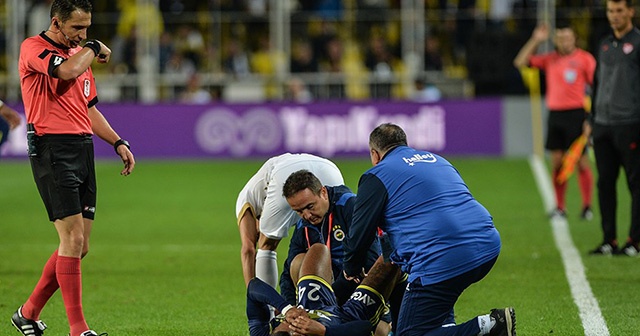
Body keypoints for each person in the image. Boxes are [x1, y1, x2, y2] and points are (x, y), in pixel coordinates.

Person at [12, 1, 135, 336]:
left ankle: (27, 313)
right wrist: (93, 48)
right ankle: (78, 330)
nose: (83, 35)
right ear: (56, 22)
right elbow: (64, 72)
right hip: (52, 148)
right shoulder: (34, 48)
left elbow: (89, 108)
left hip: (83, 148)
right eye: (77, 28)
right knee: (72, 237)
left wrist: (117, 141)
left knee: (80, 247)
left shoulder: (82, 57)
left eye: (88, 29)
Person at [343, 123, 516, 336]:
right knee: (439, 309)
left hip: (442, 255)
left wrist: (351, 267)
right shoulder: (438, 160)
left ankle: (490, 326)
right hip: (487, 243)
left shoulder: (376, 175)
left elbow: (360, 231)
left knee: (408, 333)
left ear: (374, 154)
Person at [279, 170, 400, 336]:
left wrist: (334, 302)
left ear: (323, 192)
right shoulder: (303, 226)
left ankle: (387, 321)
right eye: (299, 211)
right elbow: (287, 273)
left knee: (377, 331)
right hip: (324, 298)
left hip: (358, 287)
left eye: (310, 207)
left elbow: (370, 260)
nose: (306, 215)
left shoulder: (350, 207)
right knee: (298, 262)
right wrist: (290, 310)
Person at [513, 22, 596, 220]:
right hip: (556, 115)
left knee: (581, 162)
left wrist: (591, 117)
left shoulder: (585, 59)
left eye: (567, 37)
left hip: (577, 114)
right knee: (557, 163)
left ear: (575, 38)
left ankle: (587, 207)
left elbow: (598, 86)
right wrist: (536, 40)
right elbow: (520, 62)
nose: (563, 41)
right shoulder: (550, 60)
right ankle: (560, 207)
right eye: (559, 38)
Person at [236, 153, 344, 288]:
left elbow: (248, 249)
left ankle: (267, 307)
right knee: (332, 235)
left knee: (267, 246)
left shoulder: (244, 201)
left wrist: (251, 292)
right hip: (329, 169)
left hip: (285, 175)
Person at [246, 243, 401, 336]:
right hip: (348, 318)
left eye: (288, 327)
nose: (293, 326)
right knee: (390, 261)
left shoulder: (263, 332)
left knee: (318, 249)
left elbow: (254, 287)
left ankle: (339, 290)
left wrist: (287, 309)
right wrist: (324, 332)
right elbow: (363, 327)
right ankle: (397, 319)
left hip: (312, 303)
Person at [589, 0, 640, 256]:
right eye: (610, 11)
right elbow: (597, 84)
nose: (614, 16)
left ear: (631, 11)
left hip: (630, 124)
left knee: (636, 184)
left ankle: (635, 240)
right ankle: (609, 239)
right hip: (603, 125)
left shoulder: (639, 43)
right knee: (605, 184)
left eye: (619, 10)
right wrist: (591, 119)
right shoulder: (604, 44)